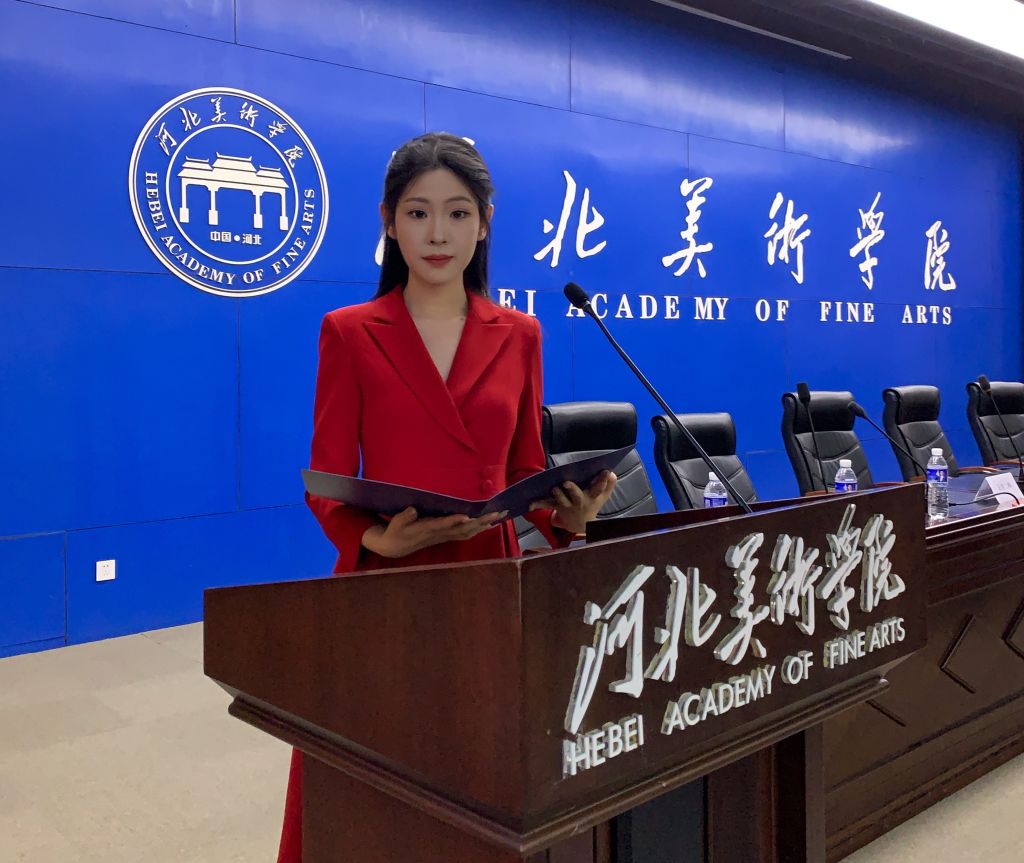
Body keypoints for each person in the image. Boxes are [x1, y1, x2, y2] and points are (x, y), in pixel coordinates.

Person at [276, 132, 617, 863]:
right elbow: (326, 475)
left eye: (458, 213)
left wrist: (567, 516)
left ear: (485, 222)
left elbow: (525, 468)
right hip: (387, 579)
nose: (438, 234)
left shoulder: (520, 334)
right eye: (418, 212)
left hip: (488, 576)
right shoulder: (350, 332)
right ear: (389, 222)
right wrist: (375, 539)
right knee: (371, 772)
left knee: (481, 772)